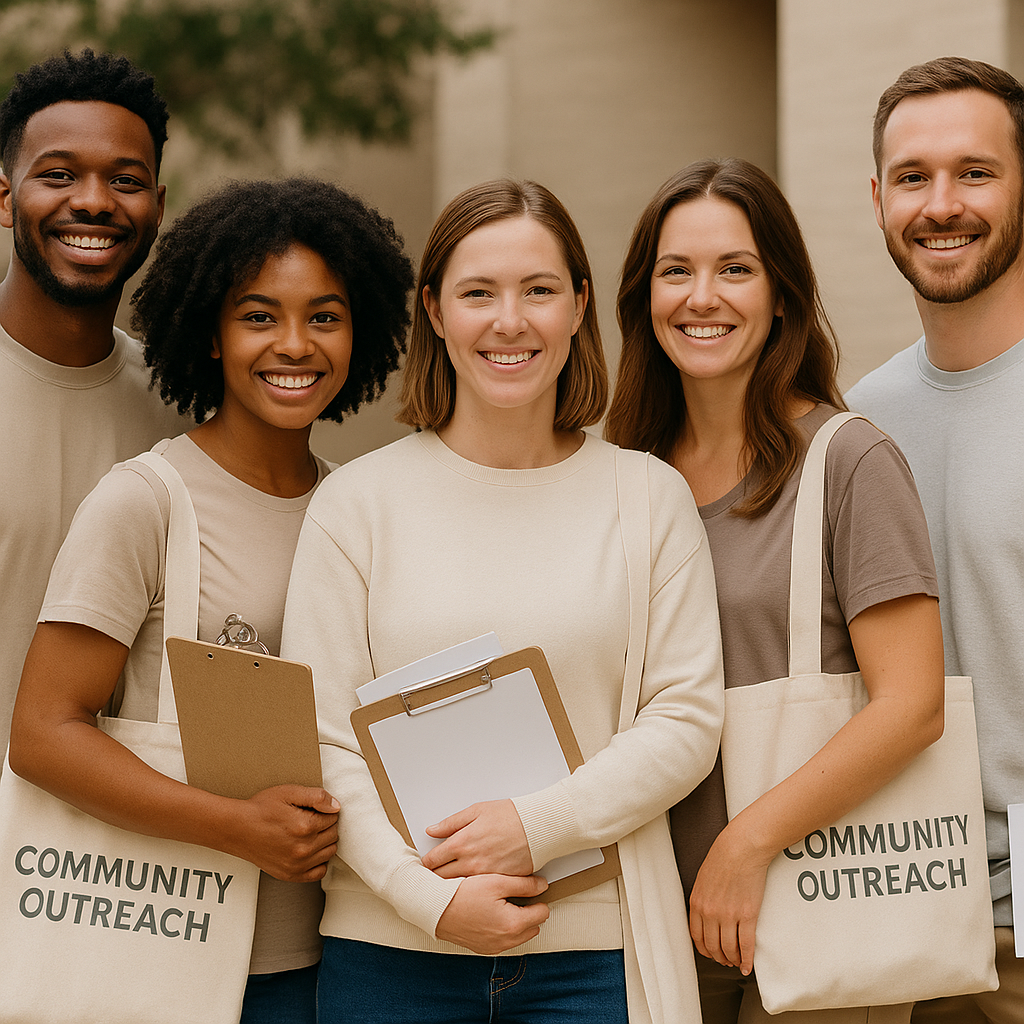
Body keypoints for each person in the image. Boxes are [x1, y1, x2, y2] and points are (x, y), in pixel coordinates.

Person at [280, 178, 725, 1024]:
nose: (509, 321)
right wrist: (430, 901)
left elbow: (687, 718)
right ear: (436, 314)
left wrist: (536, 824)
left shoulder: (647, 496)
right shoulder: (357, 505)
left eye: (539, 291)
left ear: (579, 307)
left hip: (594, 960)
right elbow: (321, 737)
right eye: (478, 293)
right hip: (389, 958)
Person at [9, 176, 413, 1022]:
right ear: (212, 335)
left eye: (325, 316)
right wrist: (234, 825)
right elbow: (42, 735)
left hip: (334, 951)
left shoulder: (358, 509)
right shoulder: (146, 501)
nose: (294, 345)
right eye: (259, 316)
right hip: (162, 949)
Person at [605, 158, 945, 1024]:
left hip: (819, 898)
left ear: (783, 294)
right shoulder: (623, 478)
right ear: (645, 297)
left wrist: (746, 843)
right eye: (675, 271)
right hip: (650, 916)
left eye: (736, 269)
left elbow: (912, 705)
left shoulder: (849, 461)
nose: (701, 297)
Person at [846, 56, 1024, 1024]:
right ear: (877, 201)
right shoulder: (861, 421)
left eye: (975, 171)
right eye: (912, 177)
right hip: (896, 917)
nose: (940, 204)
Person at [0, 48, 189, 756]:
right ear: (5, 197)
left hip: (103, 855)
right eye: (57, 175)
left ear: (158, 209)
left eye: (125, 180)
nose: (92, 201)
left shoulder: (183, 411)